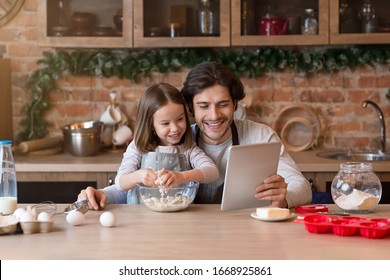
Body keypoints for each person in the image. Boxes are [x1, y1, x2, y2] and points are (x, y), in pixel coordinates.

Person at [180, 61, 311, 208]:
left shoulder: (261, 136)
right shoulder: (178, 140)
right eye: (204, 106)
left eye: (223, 104)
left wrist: (284, 198)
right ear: (191, 107)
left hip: (246, 227)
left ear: (235, 104)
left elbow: (303, 188)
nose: (214, 115)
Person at [79, 83, 219, 209]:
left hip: (179, 222)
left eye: (180, 119)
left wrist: (181, 177)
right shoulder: (138, 147)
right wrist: (139, 176)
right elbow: (121, 182)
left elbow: (212, 171)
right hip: (140, 221)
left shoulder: (187, 148)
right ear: (151, 125)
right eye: (165, 123)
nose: (175, 128)